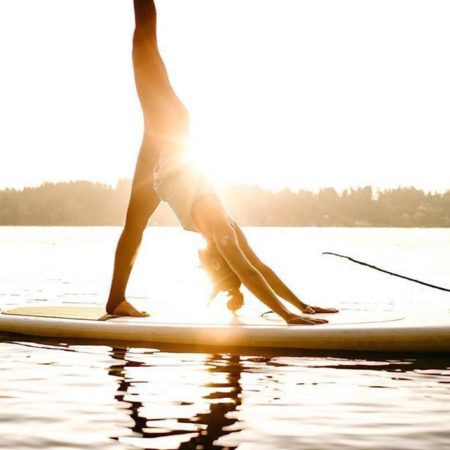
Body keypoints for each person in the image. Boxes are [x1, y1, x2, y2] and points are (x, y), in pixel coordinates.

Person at [107, 0, 338, 325]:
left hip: (166, 149)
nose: (236, 263)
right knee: (146, 37)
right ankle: (116, 300)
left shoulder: (219, 228)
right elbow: (255, 267)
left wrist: (295, 311)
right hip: (168, 150)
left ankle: (116, 299)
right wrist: (298, 310)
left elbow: (249, 269)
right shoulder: (222, 228)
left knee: (145, 36)